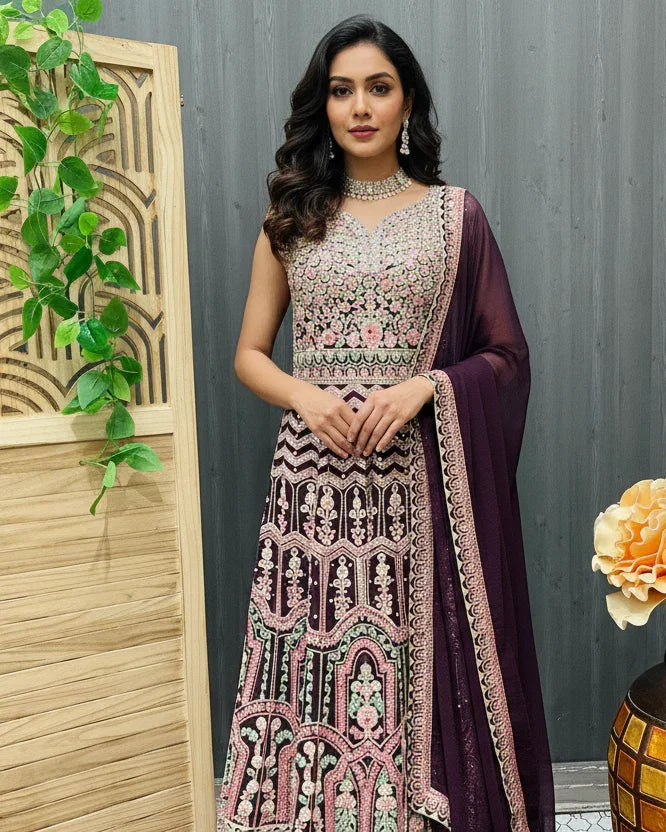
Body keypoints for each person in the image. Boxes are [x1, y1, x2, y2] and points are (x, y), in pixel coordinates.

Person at [218, 14, 555, 832]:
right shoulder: (292, 216)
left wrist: (429, 388)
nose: (360, 106)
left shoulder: (453, 217)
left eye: (379, 87)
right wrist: (306, 396)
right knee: (315, 662)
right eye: (342, 91)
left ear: (408, 104)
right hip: (313, 484)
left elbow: (506, 356)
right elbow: (251, 354)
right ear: (322, 107)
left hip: (417, 483)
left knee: (409, 671)